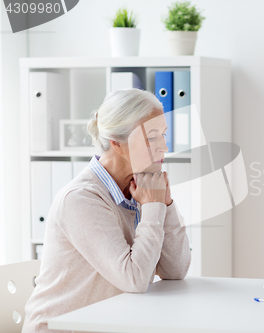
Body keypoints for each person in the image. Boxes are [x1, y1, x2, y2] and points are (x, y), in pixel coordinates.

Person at [23, 89, 191, 332]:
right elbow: (135, 279)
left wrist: (164, 203)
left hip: (109, 324)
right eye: (152, 137)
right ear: (117, 143)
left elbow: (176, 271)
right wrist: (153, 206)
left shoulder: (140, 189)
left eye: (163, 135)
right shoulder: (81, 199)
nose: (164, 147)